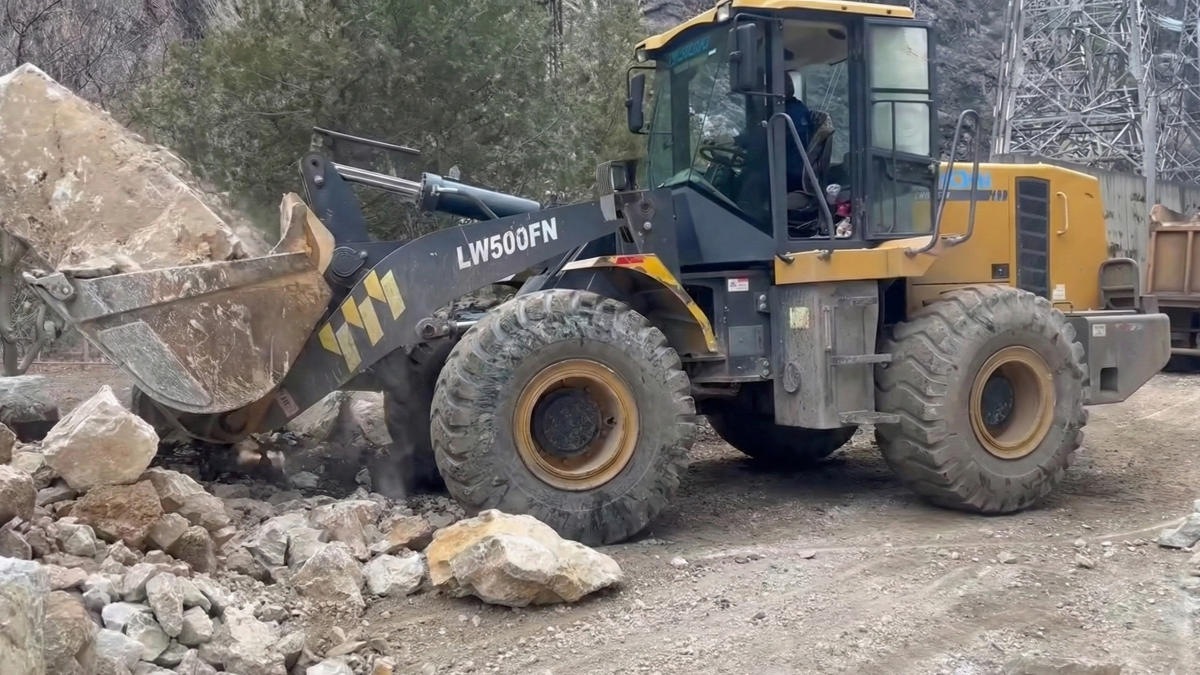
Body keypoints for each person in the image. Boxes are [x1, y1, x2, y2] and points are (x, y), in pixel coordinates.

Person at [782, 72, 814, 193]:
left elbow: (779, 139)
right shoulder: (785, 108)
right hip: (784, 167)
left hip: (791, 172)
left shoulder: (794, 112)